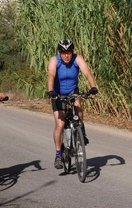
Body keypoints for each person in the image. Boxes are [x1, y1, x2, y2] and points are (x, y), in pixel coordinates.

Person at [47, 40, 98, 169]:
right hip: (57, 93)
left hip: (72, 90)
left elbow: (87, 72)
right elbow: (51, 75)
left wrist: (93, 87)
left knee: (78, 106)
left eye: (69, 52)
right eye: (63, 53)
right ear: (60, 53)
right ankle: (58, 154)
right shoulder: (55, 60)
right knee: (60, 124)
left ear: (72, 52)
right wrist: (51, 91)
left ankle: (81, 130)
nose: (66, 55)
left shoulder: (77, 58)